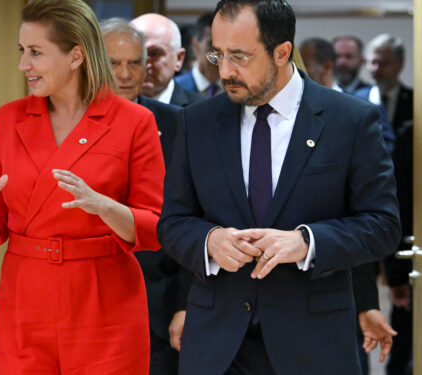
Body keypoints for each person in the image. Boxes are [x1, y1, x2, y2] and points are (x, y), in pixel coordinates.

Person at [157, 1, 401, 374]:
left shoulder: (349, 120)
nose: (224, 71)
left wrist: (307, 242)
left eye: (239, 56)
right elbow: (173, 222)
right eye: (218, 54)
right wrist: (209, 242)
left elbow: (383, 226)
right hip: (217, 345)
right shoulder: (197, 122)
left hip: (312, 343)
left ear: (282, 52)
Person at [0, 1, 165, 373]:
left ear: (76, 56)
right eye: (22, 51)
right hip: (24, 299)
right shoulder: (8, 119)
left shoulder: (135, 122)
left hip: (104, 301)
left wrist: (103, 206)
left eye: (36, 52)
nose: (24, 65)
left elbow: (153, 226)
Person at [300, 36, 398, 374]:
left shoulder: (360, 113)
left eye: (304, 66)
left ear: (325, 69)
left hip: (347, 262)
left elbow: (374, 196)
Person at [100, 17, 186, 375]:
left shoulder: (180, 124)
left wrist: (185, 304)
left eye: (134, 62)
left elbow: (192, 219)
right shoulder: (67, 124)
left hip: (158, 307)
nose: (125, 73)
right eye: (114, 63)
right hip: (89, 300)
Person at [365, 33, 415, 375]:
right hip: (367, 213)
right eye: (372, 60)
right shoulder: (357, 100)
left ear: (399, 64)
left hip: (405, 215)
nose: (375, 68)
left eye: (383, 61)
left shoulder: (416, 103)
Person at [131, 14, 204, 107]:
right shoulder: (111, 107)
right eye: (137, 55)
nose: (145, 64)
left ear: (179, 58)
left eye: (154, 54)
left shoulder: (200, 109)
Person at [175, 12, 222, 97]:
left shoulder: (236, 89)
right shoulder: (175, 87)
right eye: (212, 45)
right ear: (195, 45)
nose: (219, 54)